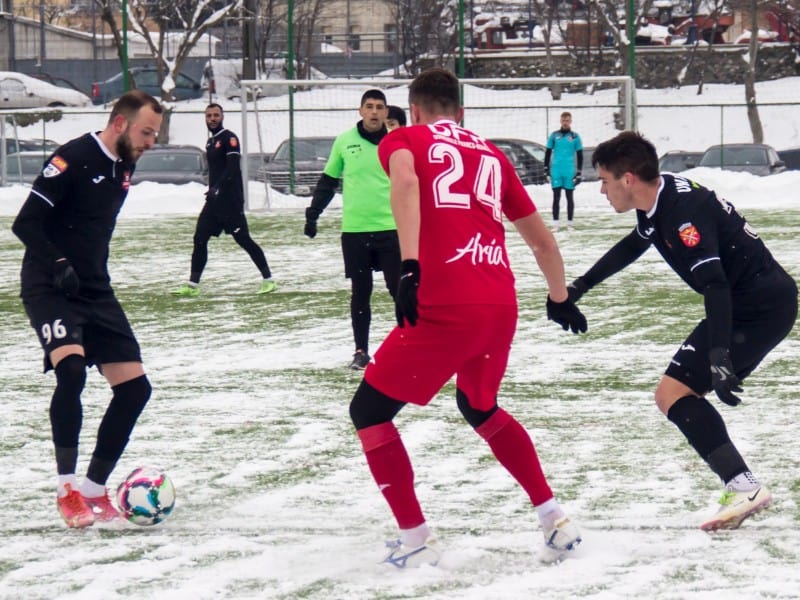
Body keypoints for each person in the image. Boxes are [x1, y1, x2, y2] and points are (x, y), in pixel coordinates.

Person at [349, 67, 588, 568]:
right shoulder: (492, 153)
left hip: (446, 302)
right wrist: (560, 296)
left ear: (411, 111)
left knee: (369, 412)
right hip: (499, 302)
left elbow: (409, 186)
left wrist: (410, 264)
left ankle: (416, 540)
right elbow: (542, 238)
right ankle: (555, 521)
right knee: (479, 406)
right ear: (461, 112)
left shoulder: (402, 139)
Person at [569, 131, 797, 531]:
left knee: (672, 393)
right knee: (672, 394)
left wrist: (719, 356)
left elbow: (715, 284)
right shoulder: (659, 198)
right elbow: (634, 244)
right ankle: (742, 484)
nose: (601, 190)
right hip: (753, 301)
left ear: (627, 180)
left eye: (604, 180)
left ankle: (744, 486)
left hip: (759, 306)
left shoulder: (683, 212)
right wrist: (581, 286)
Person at [11, 90, 164, 528]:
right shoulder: (71, 158)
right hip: (49, 284)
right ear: (119, 123)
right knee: (72, 371)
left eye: (155, 133)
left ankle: (96, 489)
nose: (151, 141)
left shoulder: (125, 163)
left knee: (135, 390)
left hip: (95, 288)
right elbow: (25, 223)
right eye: (146, 131)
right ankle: (68, 490)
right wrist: (58, 263)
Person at [304, 89, 400, 370]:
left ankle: (411, 345)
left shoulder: (397, 142)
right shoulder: (345, 141)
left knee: (400, 291)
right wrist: (313, 215)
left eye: (379, 107)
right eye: (368, 106)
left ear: (386, 112)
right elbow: (328, 181)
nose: (373, 112)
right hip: (355, 231)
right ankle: (361, 352)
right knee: (361, 292)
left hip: (391, 228)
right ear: (360, 110)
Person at [171, 103, 276, 297]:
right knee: (199, 238)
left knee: (243, 239)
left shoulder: (229, 138)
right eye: (209, 115)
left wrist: (218, 187)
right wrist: (213, 190)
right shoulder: (211, 142)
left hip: (230, 202)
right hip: (214, 203)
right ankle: (192, 285)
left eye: (216, 115)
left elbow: (233, 167)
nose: (212, 119)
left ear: (222, 116)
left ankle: (268, 279)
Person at [544, 111, 583, 231]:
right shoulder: (554, 135)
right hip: (556, 170)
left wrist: (579, 172)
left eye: (567, 120)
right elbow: (548, 152)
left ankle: (570, 224)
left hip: (569, 170)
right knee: (556, 197)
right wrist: (546, 169)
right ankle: (556, 224)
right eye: (563, 120)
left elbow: (580, 155)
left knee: (569, 197)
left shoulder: (575, 137)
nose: (565, 122)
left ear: (570, 121)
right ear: (560, 121)